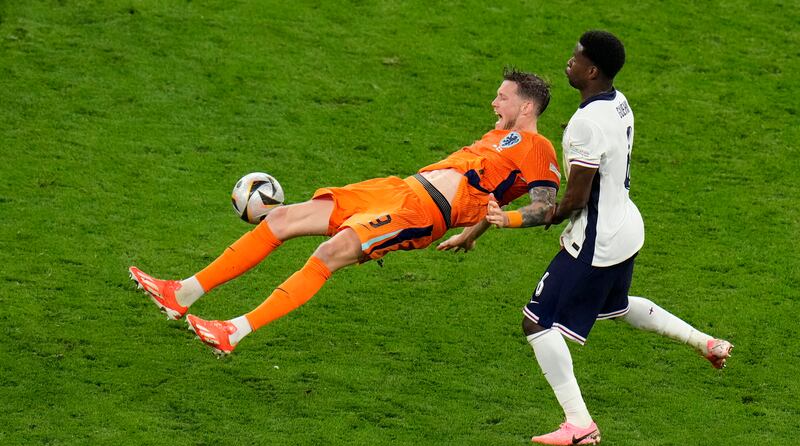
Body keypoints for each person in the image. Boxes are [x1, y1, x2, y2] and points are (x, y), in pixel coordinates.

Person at [129, 68, 562, 356]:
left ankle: (234, 331)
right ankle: (181, 294)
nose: (493, 102)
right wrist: (474, 233)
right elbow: (490, 198)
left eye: (502, 97)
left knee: (328, 255)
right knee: (282, 218)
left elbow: (546, 207)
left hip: (421, 214)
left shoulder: (538, 148)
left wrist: (510, 219)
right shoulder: (498, 135)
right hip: (397, 189)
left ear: (527, 106)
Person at [485, 31, 733, 446]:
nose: (570, 61)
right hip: (625, 228)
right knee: (614, 306)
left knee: (537, 322)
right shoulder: (617, 102)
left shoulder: (586, 123)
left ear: (593, 70)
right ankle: (704, 342)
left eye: (577, 58)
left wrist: (512, 218)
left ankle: (579, 424)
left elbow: (575, 199)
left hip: (596, 241)